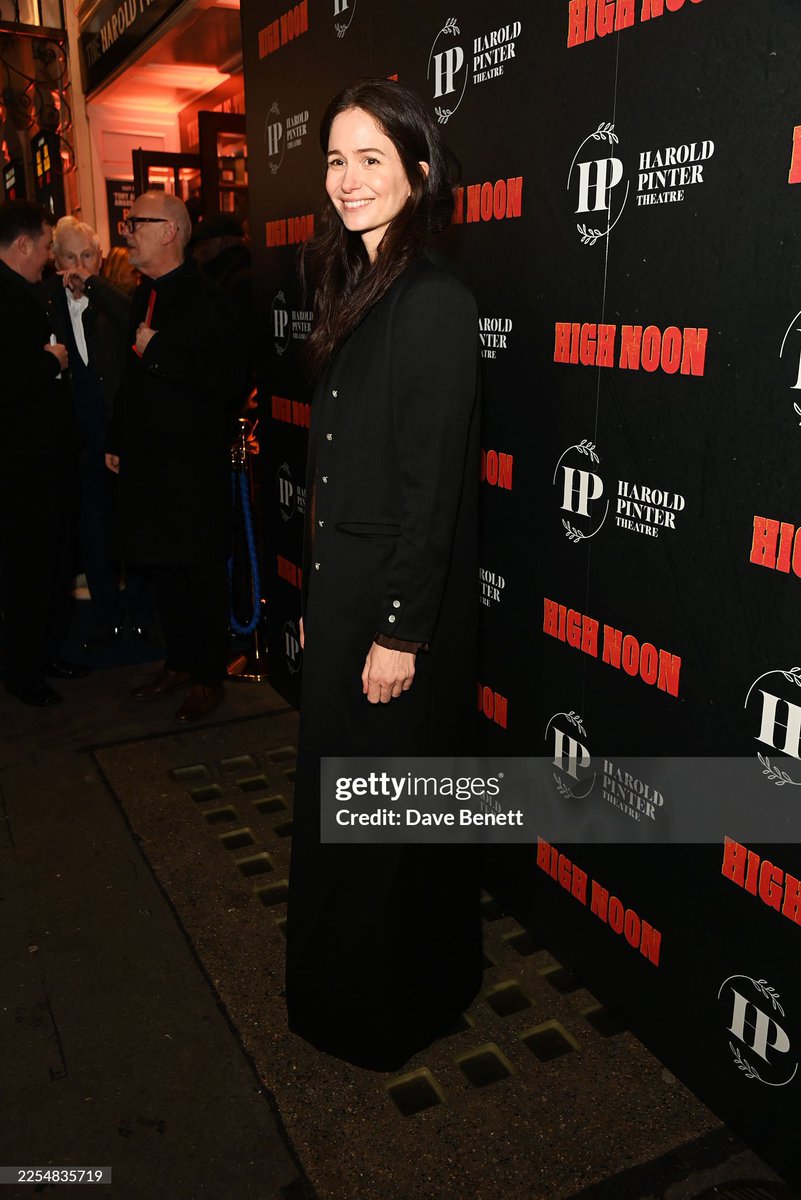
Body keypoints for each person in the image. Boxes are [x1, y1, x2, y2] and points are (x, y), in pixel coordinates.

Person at [285, 79, 483, 1069]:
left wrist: (399, 629)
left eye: (372, 159)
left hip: (393, 607)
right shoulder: (360, 286)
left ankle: (385, 1010)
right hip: (350, 591)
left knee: (384, 823)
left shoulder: (434, 300)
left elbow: (431, 483)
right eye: (335, 159)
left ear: (416, 170)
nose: (349, 179)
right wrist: (331, 604)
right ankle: (360, 992)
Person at [107, 191, 247, 721]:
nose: (127, 232)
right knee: (163, 567)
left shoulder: (209, 299)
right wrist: (118, 440)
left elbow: (228, 380)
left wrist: (159, 349)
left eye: (135, 222)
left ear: (168, 231)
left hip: (191, 466)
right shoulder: (140, 294)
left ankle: (208, 675)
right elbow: (130, 381)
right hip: (146, 461)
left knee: (197, 571)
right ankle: (180, 661)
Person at [0, 199, 85, 707]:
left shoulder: (24, 291)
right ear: (24, 243)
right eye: (47, 245)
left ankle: (45, 655)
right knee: (31, 570)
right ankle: (25, 673)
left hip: (45, 461)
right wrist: (50, 362)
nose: (51, 258)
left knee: (53, 565)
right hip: (22, 467)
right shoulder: (6, 296)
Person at [44, 217, 132, 652]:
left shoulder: (116, 303)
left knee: (131, 527)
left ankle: (137, 615)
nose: (78, 267)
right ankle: (106, 618)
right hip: (76, 445)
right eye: (69, 257)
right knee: (93, 533)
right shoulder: (43, 307)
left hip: (120, 437)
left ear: (98, 259)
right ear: (54, 261)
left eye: (86, 257)